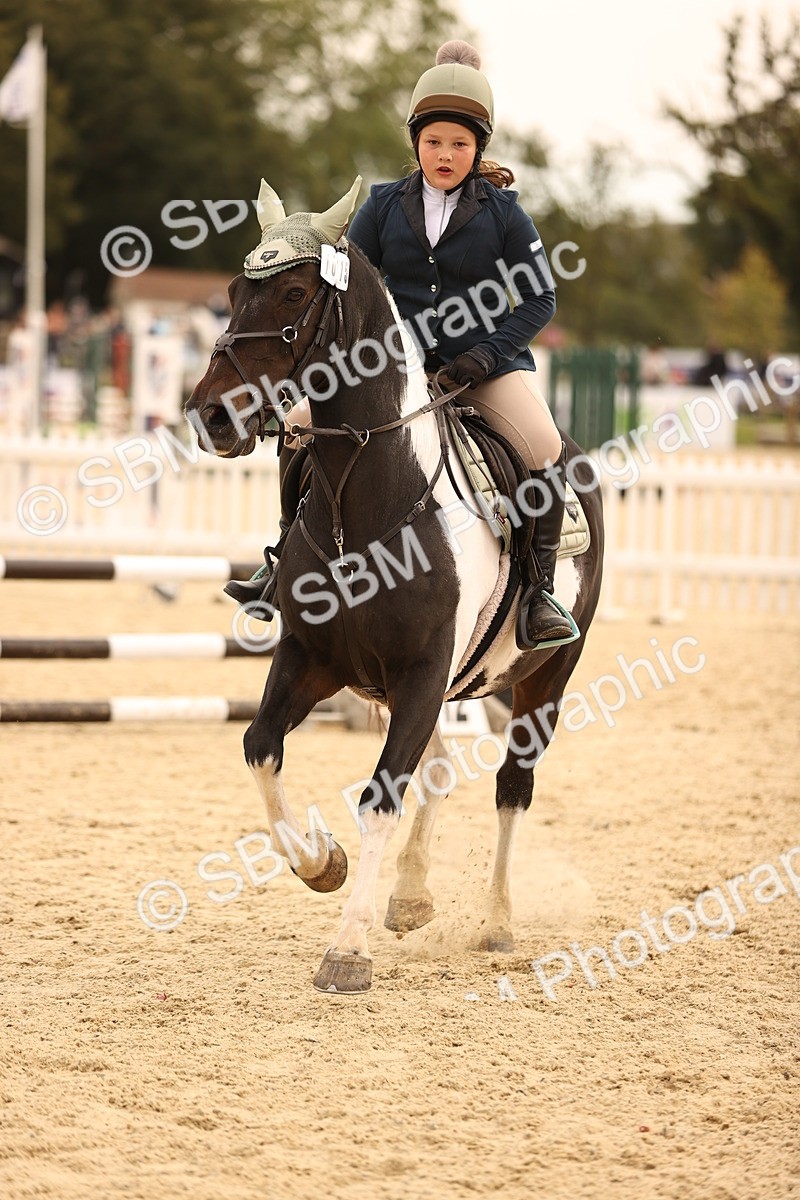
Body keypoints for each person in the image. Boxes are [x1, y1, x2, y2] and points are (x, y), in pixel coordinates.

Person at [228, 39, 572, 649]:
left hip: (483, 367)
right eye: (434, 141)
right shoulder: (385, 204)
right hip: (395, 366)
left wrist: (487, 354)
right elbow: (345, 277)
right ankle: (283, 559)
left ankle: (538, 591)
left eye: (459, 144)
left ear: (478, 149)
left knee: (543, 445)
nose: (445, 154)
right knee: (300, 423)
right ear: (416, 142)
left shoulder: (505, 214)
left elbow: (540, 299)